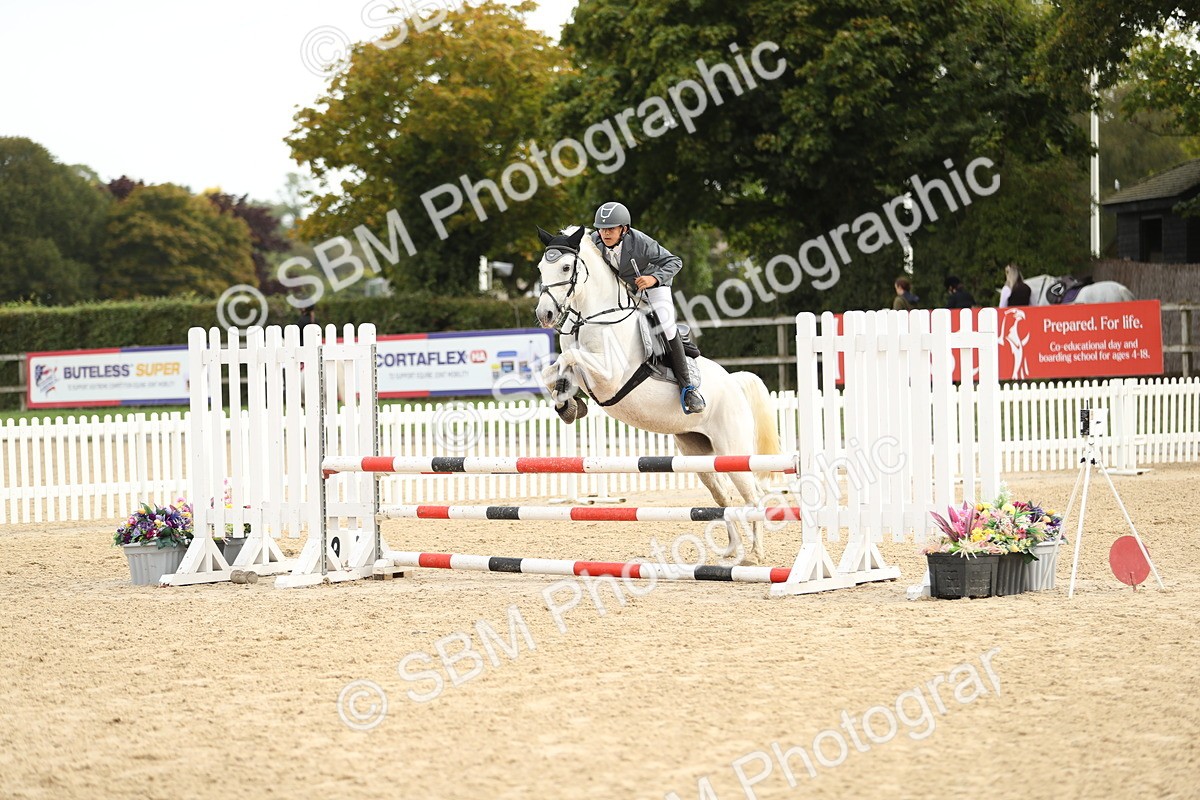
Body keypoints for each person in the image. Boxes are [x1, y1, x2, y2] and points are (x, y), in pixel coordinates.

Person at [590, 201, 705, 414]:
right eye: (602, 228)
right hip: (623, 287)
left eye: (611, 228)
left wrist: (653, 278)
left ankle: (688, 388)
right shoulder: (594, 241)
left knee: (666, 325)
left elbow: (674, 261)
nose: (605, 233)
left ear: (623, 229)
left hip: (652, 285)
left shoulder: (640, 242)